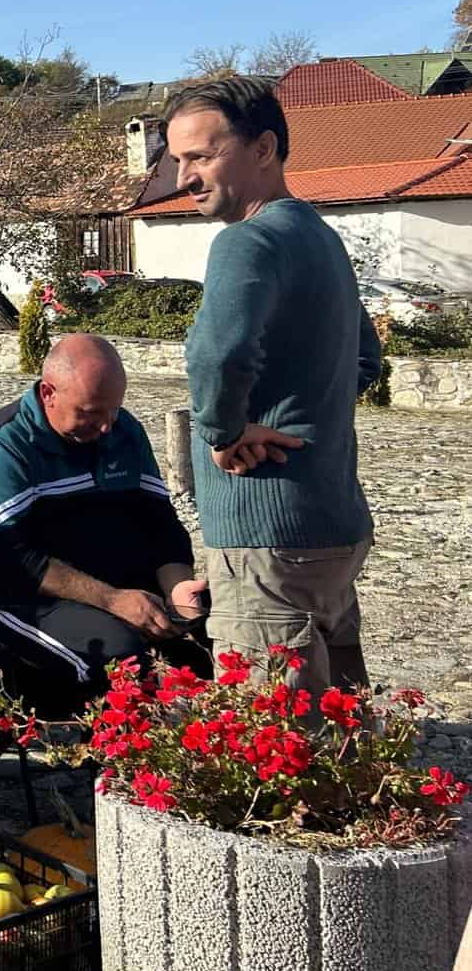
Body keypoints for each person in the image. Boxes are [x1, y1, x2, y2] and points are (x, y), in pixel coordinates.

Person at [167, 75, 381, 696]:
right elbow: (366, 358)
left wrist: (224, 433)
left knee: (275, 744)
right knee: (338, 733)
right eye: (179, 159)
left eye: (202, 156)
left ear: (263, 149)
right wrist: (307, 417)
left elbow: (219, 353)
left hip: (268, 533)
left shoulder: (248, 240)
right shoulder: (320, 237)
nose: (185, 176)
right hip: (332, 522)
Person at [0, 333, 208, 712]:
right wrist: (114, 601)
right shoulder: (1, 444)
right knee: (122, 658)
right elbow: (10, 559)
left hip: (126, 587)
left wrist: (179, 592)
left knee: (215, 638)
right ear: (48, 393)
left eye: (114, 410)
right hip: (30, 598)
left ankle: (211, 764)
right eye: (90, 412)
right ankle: (118, 765)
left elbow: (161, 523)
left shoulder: (123, 430)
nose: (107, 425)